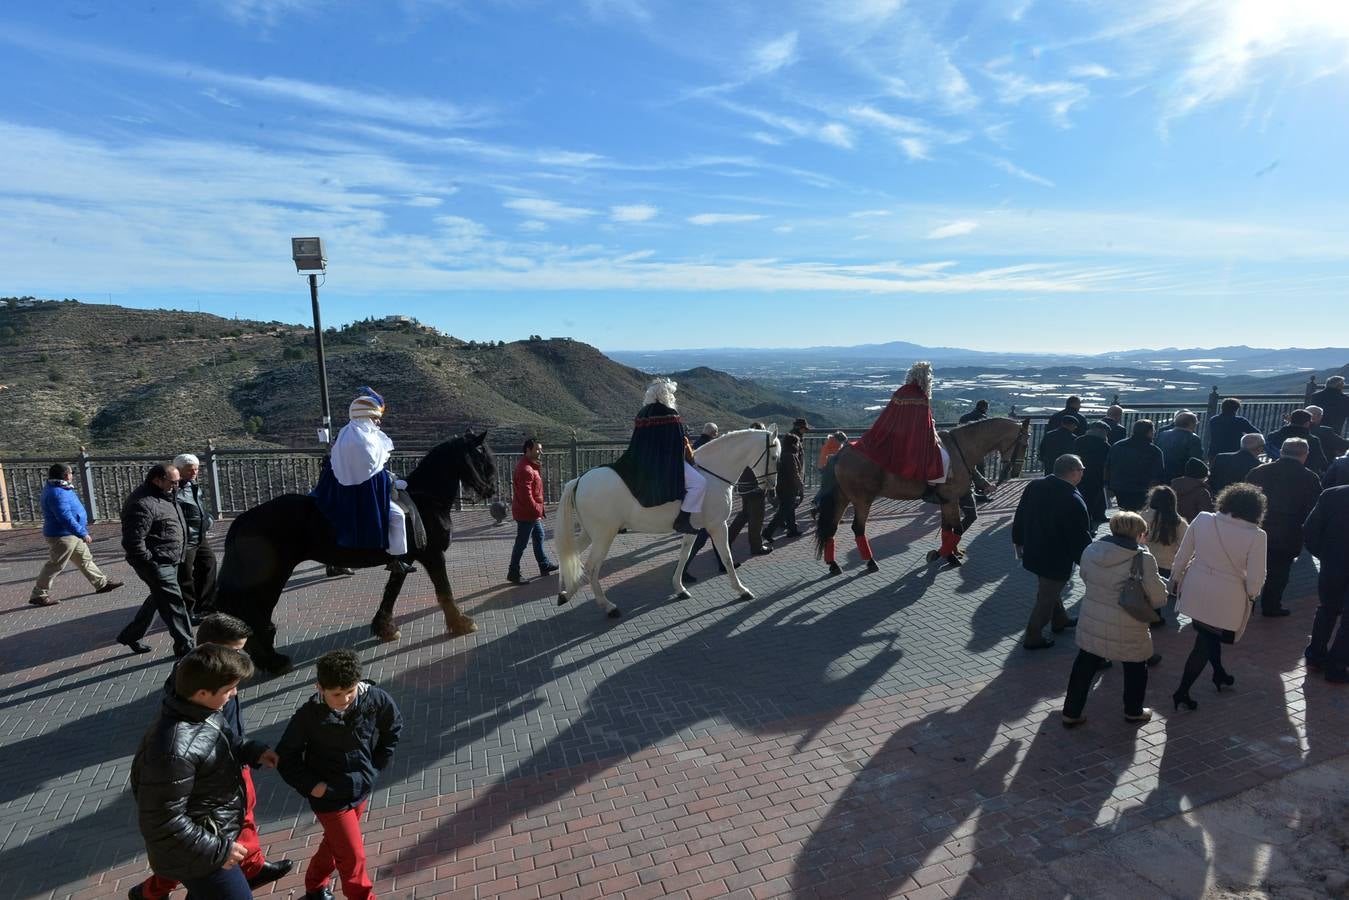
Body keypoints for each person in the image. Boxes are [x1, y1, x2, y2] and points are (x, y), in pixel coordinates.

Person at [130, 615, 292, 900]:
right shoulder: (171, 750)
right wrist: (221, 850)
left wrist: (252, 750)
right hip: (205, 853)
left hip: (212, 842)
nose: (235, 694)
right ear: (203, 692)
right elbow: (162, 821)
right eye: (229, 689)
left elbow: (224, 740)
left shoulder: (200, 712)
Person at [278, 649, 403, 900]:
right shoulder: (307, 716)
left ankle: (314, 886)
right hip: (329, 797)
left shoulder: (375, 699)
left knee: (336, 844)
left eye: (350, 691)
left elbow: (392, 728)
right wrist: (314, 786)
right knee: (353, 856)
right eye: (336, 694)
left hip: (360, 787)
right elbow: (286, 757)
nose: (345, 699)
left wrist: (376, 766)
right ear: (319, 688)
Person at [1060, 512, 1168, 727]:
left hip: (1093, 618)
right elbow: (1159, 598)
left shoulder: (1091, 549)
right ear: (1138, 533)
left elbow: (1085, 578)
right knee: (1135, 666)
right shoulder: (1142, 558)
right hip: (1129, 623)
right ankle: (1133, 711)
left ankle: (1071, 712)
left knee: (1085, 665)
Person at [1169, 484, 1268, 711]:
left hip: (1196, 587)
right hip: (1227, 596)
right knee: (1204, 642)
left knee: (1206, 635)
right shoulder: (1257, 536)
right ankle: (1182, 691)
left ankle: (1219, 674)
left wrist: (1175, 578)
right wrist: (1252, 596)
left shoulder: (1204, 519)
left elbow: (1183, 554)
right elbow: (1256, 576)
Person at [311, 388, 413, 573]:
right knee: (397, 516)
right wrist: (391, 481)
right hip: (366, 496)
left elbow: (367, 470)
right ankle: (394, 559)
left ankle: (338, 562)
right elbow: (372, 473)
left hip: (343, 492)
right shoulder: (365, 441)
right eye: (375, 418)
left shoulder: (345, 435)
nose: (378, 422)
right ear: (367, 417)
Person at [1012, 454, 1093, 650]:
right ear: (1073, 472)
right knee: (1046, 596)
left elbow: (1020, 513)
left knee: (1049, 588)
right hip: (1055, 557)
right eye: (1082, 469)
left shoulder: (1035, 486)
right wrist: (1089, 559)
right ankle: (1033, 636)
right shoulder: (1073, 498)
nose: (1083, 473)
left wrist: (1018, 540)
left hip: (1034, 550)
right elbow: (1079, 536)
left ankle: (1060, 619)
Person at [608, 377, 705, 535]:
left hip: (642, 462)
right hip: (667, 465)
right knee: (700, 484)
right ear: (666, 395)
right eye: (671, 394)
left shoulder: (643, 413)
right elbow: (678, 443)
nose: (673, 398)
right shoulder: (671, 414)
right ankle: (683, 520)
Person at [115, 464, 194, 658]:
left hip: (170, 558)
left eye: (178, 482)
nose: (177, 486)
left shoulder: (164, 496)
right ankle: (187, 647)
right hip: (158, 563)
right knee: (174, 603)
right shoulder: (142, 503)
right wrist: (151, 562)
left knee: (159, 599)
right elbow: (133, 541)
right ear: (157, 480)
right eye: (173, 482)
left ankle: (131, 635)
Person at [1246, 437, 1322, 617]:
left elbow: (1245, 499)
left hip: (1256, 529)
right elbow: (1314, 509)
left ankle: (1246, 606)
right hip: (1288, 533)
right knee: (1279, 573)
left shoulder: (1258, 471)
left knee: (1249, 569)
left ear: (1281, 451)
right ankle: (1271, 606)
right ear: (1305, 455)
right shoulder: (1309, 477)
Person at [28, 462, 122, 606]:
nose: (72, 476)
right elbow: (65, 517)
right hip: (63, 535)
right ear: (66, 475)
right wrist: (82, 533)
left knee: (85, 559)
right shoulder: (57, 493)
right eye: (71, 473)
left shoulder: (60, 487)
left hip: (71, 534)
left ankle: (101, 584)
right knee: (55, 565)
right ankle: (38, 594)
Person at [853, 362, 947, 486]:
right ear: (925, 378)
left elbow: (889, 414)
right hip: (913, 437)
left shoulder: (901, 391)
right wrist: (932, 425)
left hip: (895, 434)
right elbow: (923, 423)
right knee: (944, 457)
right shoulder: (920, 396)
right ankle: (932, 487)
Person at [1304, 485, 1349, 683]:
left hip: (1333, 565)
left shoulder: (1332, 494)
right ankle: (1337, 665)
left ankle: (1316, 656)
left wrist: (1324, 555)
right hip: (1333, 562)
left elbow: (1310, 529)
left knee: (1327, 609)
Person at [506, 439, 559, 585]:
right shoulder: (525, 469)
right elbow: (526, 495)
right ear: (528, 450)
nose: (540, 452)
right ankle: (513, 573)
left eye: (540, 449)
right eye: (537, 449)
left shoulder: (529, 466)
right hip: (527, 513)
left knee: (539, 535)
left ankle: (544, 564)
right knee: (521, 543)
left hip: (531, 512)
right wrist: (537, 509)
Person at [173, 453, 217, 622]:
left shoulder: (193, 485)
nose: (194, 472)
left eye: (196, 469)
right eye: (190, 470)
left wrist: (208, 520)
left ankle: (206, 605)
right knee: (185, 575)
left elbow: (199, 508)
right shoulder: (173, 489)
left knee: (208, 564)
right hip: (184, 539)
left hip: (198, 535)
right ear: (179, 470)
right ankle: (188, 611)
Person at [727, 422, 772, 557]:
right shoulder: (759, 448)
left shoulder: (743, 445)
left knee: (744, 515)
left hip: (743, 485)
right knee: (756, 519)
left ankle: (726, 541)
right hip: (755, 486)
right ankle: (756, 547)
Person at [763, 418, 808, 543]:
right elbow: (794, 474)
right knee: (783, 510)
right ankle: (768, 532)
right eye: (798, 444)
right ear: (794, 444)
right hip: (789, 487)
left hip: (782, 485)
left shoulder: (783, 454)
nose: (799, 446)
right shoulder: (791, 456)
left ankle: (792, 529)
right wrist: (801, 486)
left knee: (788, 508)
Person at [1106, 419, 1165, 512]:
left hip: (1119, 486)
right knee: (1139, 513)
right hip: (1141, 488)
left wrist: (1108, 484)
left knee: (1124, 511)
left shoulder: (1118, 446)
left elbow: (1109, 466)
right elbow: (1158, 473)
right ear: (1149, 432)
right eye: (1153, 431)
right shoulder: (1154, 450)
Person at [1265, 409, 1328, 473]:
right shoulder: (1313, 440)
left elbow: (1268, 452)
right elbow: (1322, 462)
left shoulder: (1273, 436)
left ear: (1290, 420)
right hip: (1302, 475)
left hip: (1276, 472)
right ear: (1307, 423)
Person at [1074, 422, 1112, 527]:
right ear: (1102, 432)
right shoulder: (1105, 445)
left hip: (1079, 472)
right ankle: (1095, 518)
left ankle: (1085, 520)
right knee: (1095, 498)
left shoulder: (1079, 440)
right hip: (1097, 475)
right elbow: (1107, 463)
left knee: (1082, 496)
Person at [1155, 410, 1205, 483]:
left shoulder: (1163, 434)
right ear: (1191, 424)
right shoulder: (1193, 438)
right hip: (1180, 476)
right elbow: (1196, 460)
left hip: (1161, 473)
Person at [1170, 458, 1215, 523]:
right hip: (1194, 528)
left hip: (1174, 526)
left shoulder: (1172, 487)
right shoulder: (1202, 493)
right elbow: (1208, 516)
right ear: (1202, 476)